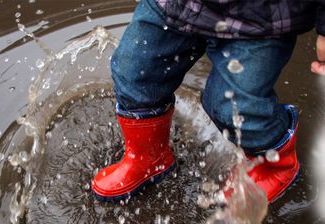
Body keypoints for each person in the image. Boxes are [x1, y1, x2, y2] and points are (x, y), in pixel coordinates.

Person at [91, 0, 325, 202]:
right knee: (134, 72)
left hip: (262, 20)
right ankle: (147, 157)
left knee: (235, 109)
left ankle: (275, 166)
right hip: (177, 6)